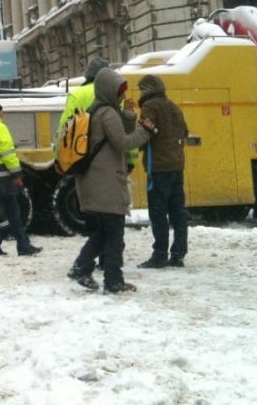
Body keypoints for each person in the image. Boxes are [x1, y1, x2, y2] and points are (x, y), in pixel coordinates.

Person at [67, 67, 155, 293]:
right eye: (120, 92)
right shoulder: (107, 113)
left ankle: (82, 267)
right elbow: (123, 142)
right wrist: (145, 131)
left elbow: (112, 136)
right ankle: (112, 280)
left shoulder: (98, 110)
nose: (123, 96)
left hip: (95, 181)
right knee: (114, 233)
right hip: (104, 182)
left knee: (104, 232)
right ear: (110, 90)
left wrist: (127, 116)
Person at [0, 100, 42, 256]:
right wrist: (16, 174)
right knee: (14, 212)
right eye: (1, 111)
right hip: (2, 177)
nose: (3, 113)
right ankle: (23, 246)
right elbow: (7, 152)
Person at [136, 74, 189, 268]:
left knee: (158, 212)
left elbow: (145, 134)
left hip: (158, 167)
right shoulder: (174, 107)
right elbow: (185, 132)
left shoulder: (150, 107)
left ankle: (159, 254)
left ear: (147, 90)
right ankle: (178, 254)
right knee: (178, 212)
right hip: (176, 166)